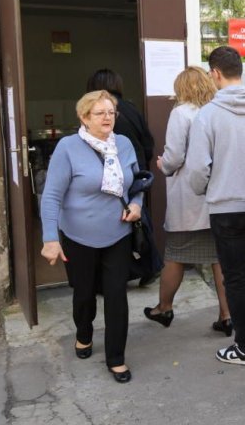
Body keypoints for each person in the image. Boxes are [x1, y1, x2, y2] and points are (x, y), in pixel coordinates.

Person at [185, 46, 245, 366]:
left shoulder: (208, 115)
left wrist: (203, 190)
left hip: (225, 206)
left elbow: (197, 167)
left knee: (235, 277)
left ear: (214, 73)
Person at [40, 90, 142, 383]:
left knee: (116, 296)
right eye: (100, 113)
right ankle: (84, 333)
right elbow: (51, 196)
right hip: (78, 235)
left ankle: (116, 358)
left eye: (111, 112)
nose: (108, 117)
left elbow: (137, 184)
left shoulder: (123, 144)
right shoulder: (68, 147)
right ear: (84, 117)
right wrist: (50, 238)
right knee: (84, 294)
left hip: (118, 233)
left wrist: (136, 205)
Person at [142, 67, 231, 334]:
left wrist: (163, 164)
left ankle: (164, 307)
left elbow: (175, 156)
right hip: (217, 196)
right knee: (219, 259)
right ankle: (227, 315)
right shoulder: (218, 111)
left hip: (190, 199)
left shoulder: (181, 113)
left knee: (176, 255)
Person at [87, 68, 159, 286]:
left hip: (112, 174)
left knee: (116, 225)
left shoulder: (98, 111)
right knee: (139, 222)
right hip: (135, 173)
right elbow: (148, 142)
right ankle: (149, 265)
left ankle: (127, 271)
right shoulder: (131, 108)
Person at [86, 68, 155, 170]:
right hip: (138, 171)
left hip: (113, 174)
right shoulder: (131, 108)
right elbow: (148, 145)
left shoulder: (95, 110)